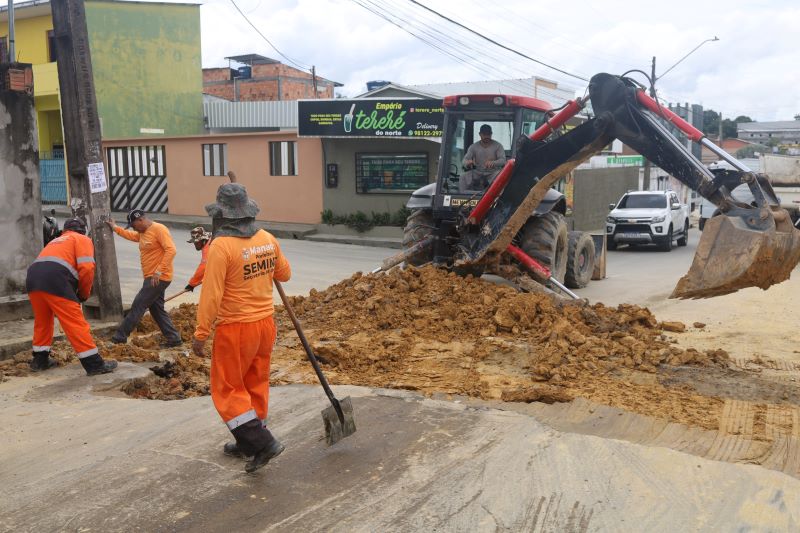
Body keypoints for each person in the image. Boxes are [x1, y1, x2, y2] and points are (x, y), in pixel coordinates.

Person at [192, 183, 291, 473]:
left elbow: (211, 295)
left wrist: (200, 333)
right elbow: (285, 273)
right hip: (265, 325)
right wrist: (262, 263)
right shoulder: (267, 238)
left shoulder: (221, 246)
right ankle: (248, 439)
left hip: (235, 327)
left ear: (222, 215)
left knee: (228, 388)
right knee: (254, 383)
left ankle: (262, 443)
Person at [25, 218, 118, 375]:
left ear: (65, 229)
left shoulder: (56, 241)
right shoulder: (82, 239)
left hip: (33, 280)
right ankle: (94, 365)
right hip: (56, 281)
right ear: (83, 230)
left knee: (43, 321)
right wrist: (83, 293)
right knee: (75, 323)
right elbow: (87, 268)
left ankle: (39, 361)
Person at [106, 209, 182, 347]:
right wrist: (115, 228)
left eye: (134, 225)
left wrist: (158, 271)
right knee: (156, 309)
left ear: (140, 220)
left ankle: (119, 337)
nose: (134, 228)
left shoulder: (159, 229)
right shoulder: (142, 233)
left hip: (158, 277)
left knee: (138, 305)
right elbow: (131, 236)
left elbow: (171, 250)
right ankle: (174, 338)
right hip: (152, 277)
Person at [461, 124, 507, 192]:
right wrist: (468, 163)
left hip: (492, 172)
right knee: (463, 176)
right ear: (480, 134)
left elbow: (503, 160)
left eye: (488, 134)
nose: (486, 136)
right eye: (484, 134)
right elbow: (464, 160)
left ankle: (498, 198)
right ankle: (462, 197)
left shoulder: (498, 146)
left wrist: (493, 163)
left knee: (499, 176)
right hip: (478, 172)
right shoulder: (473, 147)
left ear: (491, 134)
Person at [184, 226, 211, 293]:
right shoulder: (209, 242)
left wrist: (192, 284)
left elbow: (203, 267)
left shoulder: (208, 247)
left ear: (202, 240)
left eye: (196, 242)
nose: (195, 245)